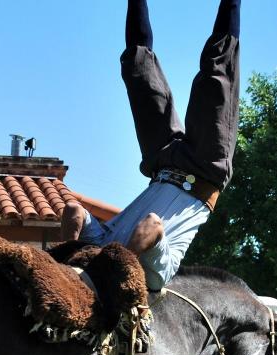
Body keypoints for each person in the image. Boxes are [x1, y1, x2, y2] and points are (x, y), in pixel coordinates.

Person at [62, 0, 241, 291]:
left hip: (163, 163)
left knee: (137, 69)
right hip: (206, 168)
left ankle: (61, 269)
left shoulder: (100, 243)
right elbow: (153, 225)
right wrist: (113, 273)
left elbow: (73, 211)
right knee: (216, 75)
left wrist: (67, 259)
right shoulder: (158, 273)